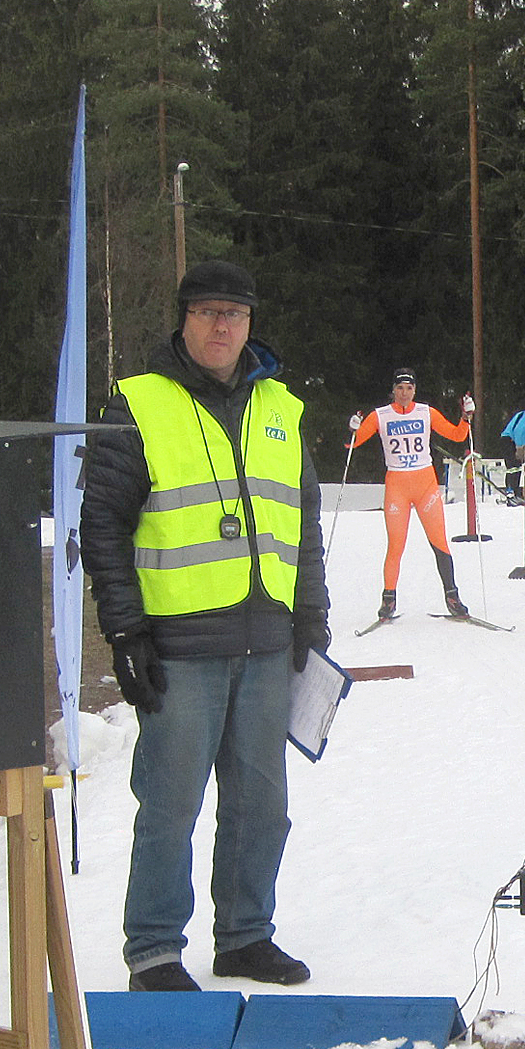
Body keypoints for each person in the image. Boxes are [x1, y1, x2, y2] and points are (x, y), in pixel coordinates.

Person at [82, 259, 327, 993]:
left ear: (251, 325)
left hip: (264, 644)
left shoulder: (280, 406)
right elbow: (103, 526)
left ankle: (246, 935)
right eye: (208, 312)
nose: (222, 326)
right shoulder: (138, 404)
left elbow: (303, 521)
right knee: (170, 804)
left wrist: (310, 617)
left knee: (263, 806)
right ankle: (154, 948)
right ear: (184, 320)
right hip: (179, 648)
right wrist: (125, 634)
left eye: (235, 313)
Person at [351, 367, 472, 621]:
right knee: (396, 544)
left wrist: (466, 416)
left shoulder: (426, 412)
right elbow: (352, 443)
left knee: (439, 541)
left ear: (414, 390)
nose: (404, 393)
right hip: (397, 486)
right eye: (399, 388)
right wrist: (353, 427)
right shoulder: (380, 416)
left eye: (408, 388)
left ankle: (453, 596)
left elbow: (457, 434)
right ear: (393, 390)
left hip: (425, 484)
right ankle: (388, 600)